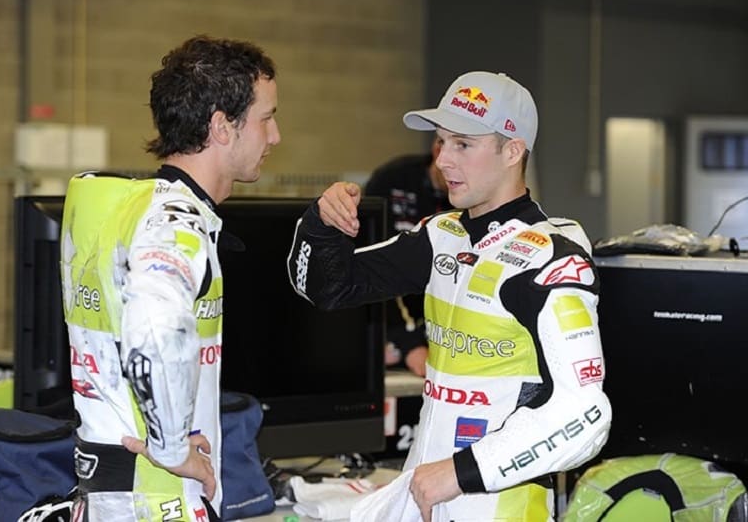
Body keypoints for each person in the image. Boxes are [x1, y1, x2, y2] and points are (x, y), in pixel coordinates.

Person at [287, 71, 611, 521]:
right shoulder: (442, 236)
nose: (442, 160)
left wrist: (461, 472)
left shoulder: (551, 256)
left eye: (463, 144)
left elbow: (585, 414)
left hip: (497, 507)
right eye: (441, 142)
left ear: (512, 151)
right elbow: (326, 288)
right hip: (425, 492)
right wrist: (323, 223)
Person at [60, 35, 280, 521]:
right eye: (266, 118)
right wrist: (172, 448)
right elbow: (154, 330)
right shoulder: (175, 220)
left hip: (114, 488)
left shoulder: (126, 209)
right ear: (222, 126)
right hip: (155, 495)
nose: (275, 137)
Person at [364, 136, 450, 376]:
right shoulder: (392, 180)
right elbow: (376, 265)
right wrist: (407, 343)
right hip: (392, 319)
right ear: (438, 150)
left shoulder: (476, 197)